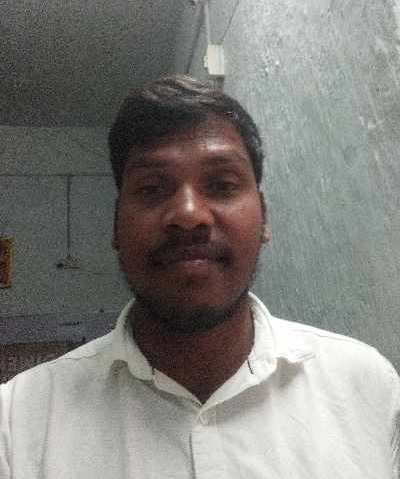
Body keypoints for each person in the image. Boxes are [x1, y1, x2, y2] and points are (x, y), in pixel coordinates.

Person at [0, 75, 399, 478]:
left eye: (222, 185)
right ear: (116, 225)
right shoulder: (19, 422)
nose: (189, 214)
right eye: (152, 189)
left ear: (264, 217)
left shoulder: (367, 389)